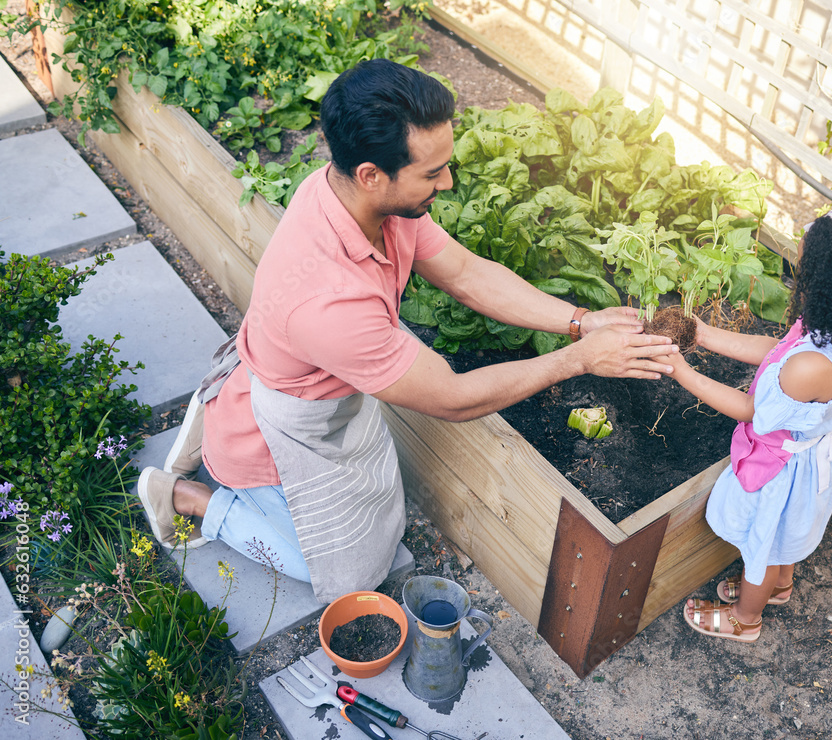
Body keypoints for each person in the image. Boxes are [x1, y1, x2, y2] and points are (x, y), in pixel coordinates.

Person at [137, 59, 677, 602]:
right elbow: (453, 398)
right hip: (280, 433)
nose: (447, 182)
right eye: (432, 172)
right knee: (346, 576)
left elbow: (466, 274)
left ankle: (213, 413)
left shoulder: (355, 196)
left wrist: (581, 321)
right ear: (372, 174)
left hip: (312, 383)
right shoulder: (331, 304)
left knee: (376, 529)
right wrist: (578, 359)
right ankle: (189, 495)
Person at [658, 200, 832, 642]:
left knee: (765, 545)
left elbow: (751, 412)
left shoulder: (809, 368)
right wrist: (704, 335)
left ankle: (744, 618)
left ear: (831, 284)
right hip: (812, 450)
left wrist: (683, 371)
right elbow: (775, 351)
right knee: (784, 537)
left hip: (782, 468)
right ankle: (778, 587)